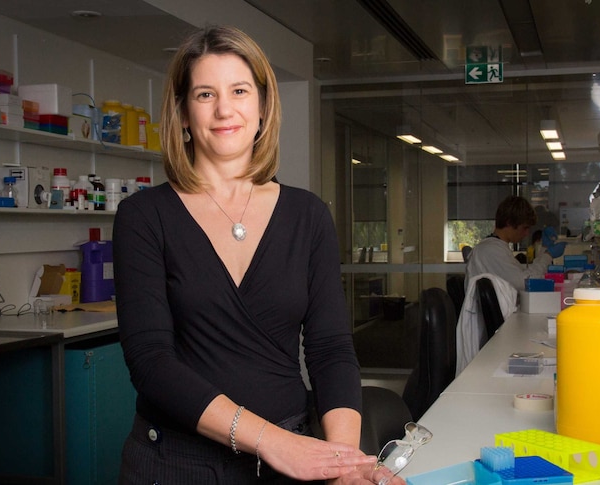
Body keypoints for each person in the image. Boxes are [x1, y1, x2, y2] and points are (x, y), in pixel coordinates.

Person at [113, 26, 403, 484]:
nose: (224, 109)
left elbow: (330, 349)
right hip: (177, 465)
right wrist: (273, 442)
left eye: (240, 90)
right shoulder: (143, 217)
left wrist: (342, 462)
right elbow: (152, 363)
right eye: (205, 93)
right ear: (184, 114)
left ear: (263, 107)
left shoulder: (308, 215)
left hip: (292, 463)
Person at [465, 196, 566, 293]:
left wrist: (545, 248)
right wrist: (548, 255)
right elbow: (525, 282)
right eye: (524, 228)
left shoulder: (497, 247)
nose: (527, 234)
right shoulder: (490, 250)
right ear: (509, 223)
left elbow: (526, 274)